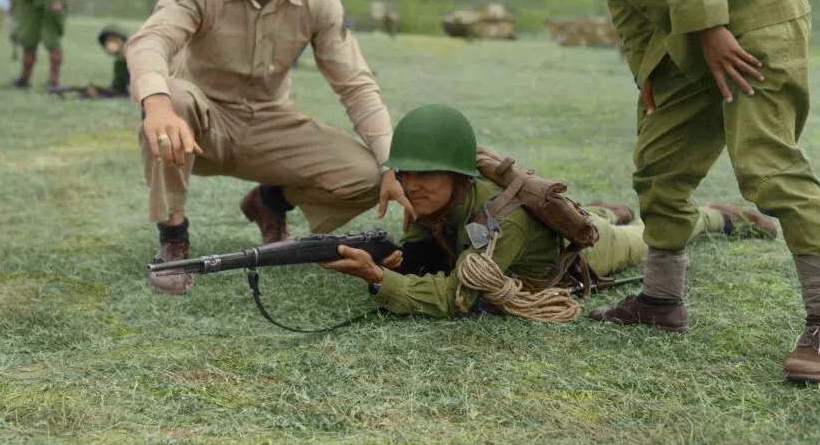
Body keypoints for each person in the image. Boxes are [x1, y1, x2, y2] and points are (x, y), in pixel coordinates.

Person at [480, 0, 820, 382]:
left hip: (747, 13)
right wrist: (645, 71)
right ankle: (661, 301)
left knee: (765, 163)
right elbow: (625, 1)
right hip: (689, 37)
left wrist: (713, 28)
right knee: (659, 167)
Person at [125, 0, 412, 296]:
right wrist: (157, 104)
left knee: (367, 175)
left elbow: (355, 84)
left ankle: (270, 202)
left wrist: (392, 164)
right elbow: (150, 42)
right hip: (199, 126)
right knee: (175, 97)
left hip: (270, 124)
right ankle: (173, 239)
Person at [321, 105, 775, 321]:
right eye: (405, 173)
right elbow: (427, 247)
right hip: (538, 231)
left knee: (651, 234)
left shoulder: (497, 222)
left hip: (581, 254)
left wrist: (380, 279)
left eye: (427, 174)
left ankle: (716, 215)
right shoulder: (437, 201)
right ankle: (604, 210)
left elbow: (454, 298)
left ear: (459, 176)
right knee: (598, 216)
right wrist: (404, 259)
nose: (412, 185)